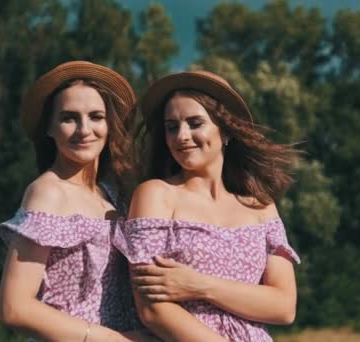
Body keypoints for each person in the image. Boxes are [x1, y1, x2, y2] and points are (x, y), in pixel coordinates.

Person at [113, 70, 301, 341]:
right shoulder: (156, 195)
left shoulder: (261, 207)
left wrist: (200, 286)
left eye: (195, 123)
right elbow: (153, 310)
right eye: (172, 126)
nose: (181, 136)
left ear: (225, 130)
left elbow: (284, 307)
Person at [0, 61, 145, 341]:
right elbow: (14, 307)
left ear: (110, 125)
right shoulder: (48, 192)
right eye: (69, 118)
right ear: (49, 128)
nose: (84, 129)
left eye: (96, 116)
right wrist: (109, 339)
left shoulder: (112, 196)